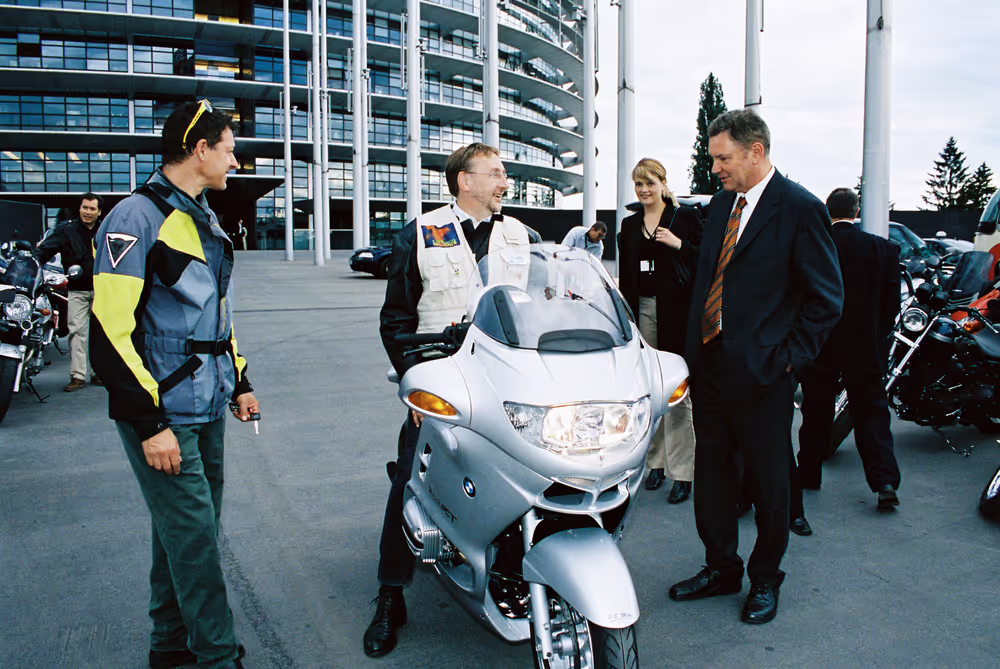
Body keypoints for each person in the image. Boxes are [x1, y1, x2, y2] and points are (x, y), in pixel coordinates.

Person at [90, 100, 255, 669]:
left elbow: (215, 313)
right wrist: (150, 423)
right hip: (165, 414)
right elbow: (109, 332)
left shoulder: (200, 214)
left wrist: (240, 381)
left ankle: (168, 648)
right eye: (229, 149)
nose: (236, 159)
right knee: (198, 542)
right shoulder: (135, 218)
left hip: (206, 404)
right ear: (200, 149)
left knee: (183, 533)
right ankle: (215, 656)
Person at [367, 142, 541, 658]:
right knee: (410, 481)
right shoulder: (419, 234)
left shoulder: (521, 236)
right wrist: (417, 383)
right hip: (442, 391)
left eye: (504, 174)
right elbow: (395, 321)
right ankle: (390, 594)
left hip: (508, 389)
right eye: (495, 174)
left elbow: (543, 304)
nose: (504, 183)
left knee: (521, 480)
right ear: (464, 181)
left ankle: (516, 575)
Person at [669, 109, 842, 625]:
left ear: (756, 151)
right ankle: (721, 567)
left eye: (723, 158)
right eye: (712, 158)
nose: (715, 168)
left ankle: (766, 579)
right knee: (714, 475)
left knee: (770, 484)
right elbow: (707, 281)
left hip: (765, 375)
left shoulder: (800, 208)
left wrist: (786, 360)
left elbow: (826, 299)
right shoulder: (721, 206)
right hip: (712, 368)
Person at [795, 187, 901, 509]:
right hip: (864, 345)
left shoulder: (815, 246)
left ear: (828, 211)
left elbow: (801, 299)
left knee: (816, 411)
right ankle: (883, 481)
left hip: (822, 343)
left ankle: (809, 474)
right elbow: (890, 307)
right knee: (871, 412)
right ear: (856, 211)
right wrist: (876, 336)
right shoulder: (883, 250)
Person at [618, 158, 702, 504]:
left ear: (663, 183)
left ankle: (682, 472)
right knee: (651, 391)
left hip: (678, 314)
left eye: (650, 183)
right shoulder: (629, 223)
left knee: (678, 392)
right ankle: (654, 463)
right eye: (639, 184)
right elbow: (625, 274)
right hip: (642, 312)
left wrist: (679, 245)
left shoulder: (684, 219)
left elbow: (707, 259)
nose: (644, 190)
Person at [36, 192, 104, 392]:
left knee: (101, 334)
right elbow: (45, 250)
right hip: (77, 290)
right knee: (76, 332)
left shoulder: (106, 230)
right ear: (80, 208)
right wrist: (32, 261)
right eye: (85, 207)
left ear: (99, 212)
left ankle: (98, 372)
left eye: (92, 208)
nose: (88, 212)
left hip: (103, 289)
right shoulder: (65, 231)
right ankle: (78, 375)